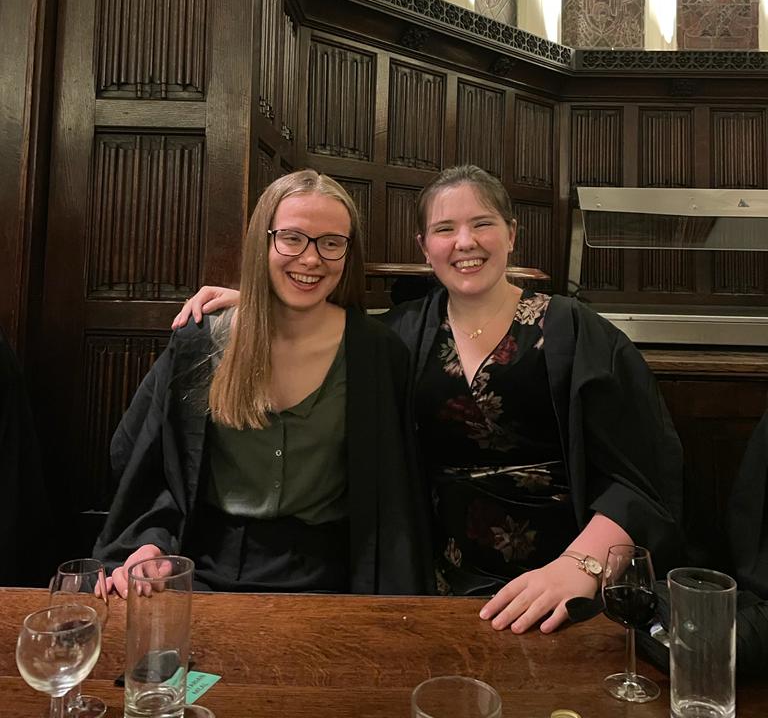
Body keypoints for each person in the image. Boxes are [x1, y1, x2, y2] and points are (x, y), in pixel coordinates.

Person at [175, 165, 684, 631]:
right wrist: (260, 301)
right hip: (433, 578)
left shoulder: (576, 331)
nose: (465, 242)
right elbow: (329, 329)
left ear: (511, 234)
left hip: (565, 577)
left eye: (482, 224)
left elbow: (643, 473)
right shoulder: (402, 333)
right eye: (445, 229)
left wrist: (581, 568)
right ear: (425, 246)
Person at [96, 170, 433, 597]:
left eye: (332, 243)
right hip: (199, 567)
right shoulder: (202, 340)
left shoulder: (377, 353)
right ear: (262, 241)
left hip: (331, 577)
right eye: (291, 238)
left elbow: (397, 490)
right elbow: (147, 462)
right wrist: (151, 543)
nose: (311, 259)